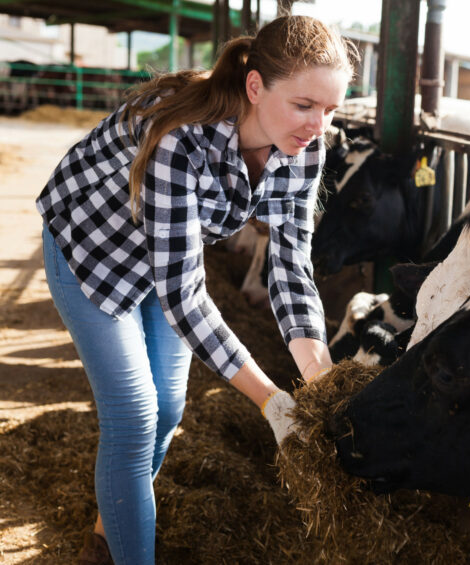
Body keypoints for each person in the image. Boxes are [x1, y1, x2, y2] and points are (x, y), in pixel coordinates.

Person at [36, 15, 358, 565]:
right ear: (255, 86)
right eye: (304, 105)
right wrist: (271, 404)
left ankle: (108, 533)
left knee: (168, 410)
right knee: (135, 415)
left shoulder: (306, 150)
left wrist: (321, 381)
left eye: (330, 110)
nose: (316, 126)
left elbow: (290, 265)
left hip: (168, 253)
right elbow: (185, 295)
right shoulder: (181, 138)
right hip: (92, 250)